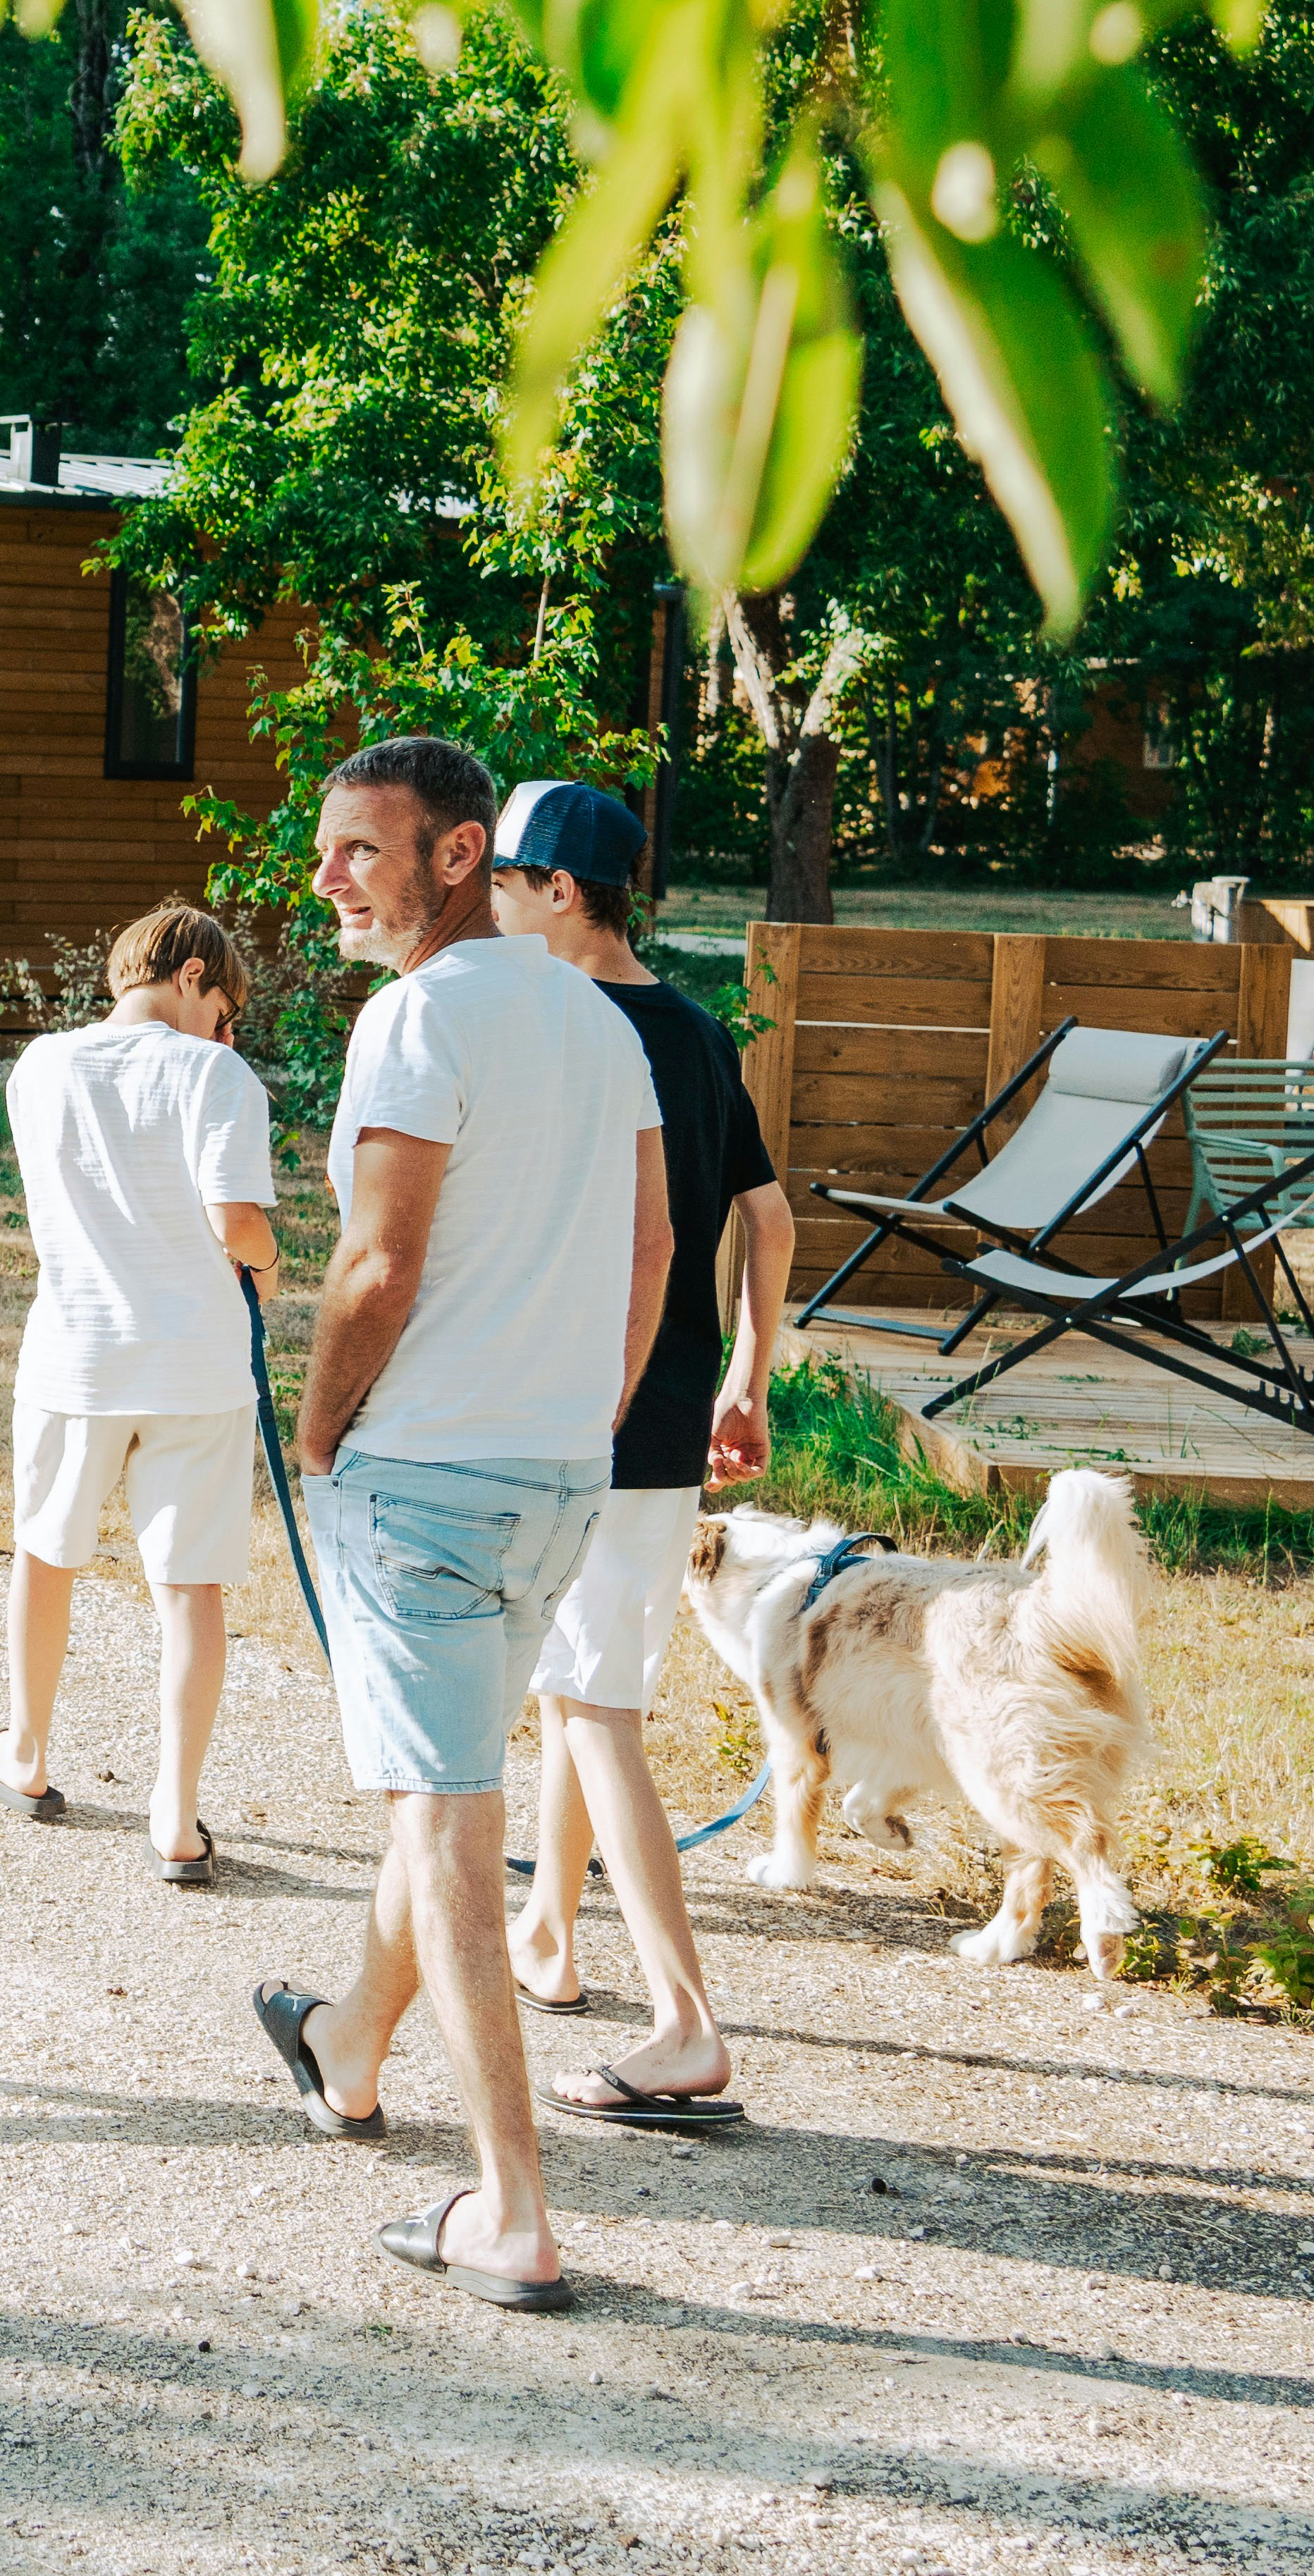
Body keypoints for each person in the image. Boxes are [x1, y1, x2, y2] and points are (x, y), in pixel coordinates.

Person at [250, 736, 669, 2312]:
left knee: (448, 1823)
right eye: (328, 850)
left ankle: (512, 2211)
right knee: (450, 1788)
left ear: (455, 851)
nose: (329, 879)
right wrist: (595, 1416)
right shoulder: (593, 1009)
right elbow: (652, 1252)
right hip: (560, 1474)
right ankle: (349, 2041)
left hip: (424, 1471)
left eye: (361, 849)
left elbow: (377, 1263)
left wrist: (313, 1431)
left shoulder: (413, 1018)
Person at [485, 779, 787, 2132]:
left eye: (501, 877)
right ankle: (548, 1934)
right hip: (665, 1416)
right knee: (581, 1687)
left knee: (597, 1712)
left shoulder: (560, 1027)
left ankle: (686, 2028)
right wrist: (746, 1377)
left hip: (572, 1410)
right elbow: (767, 1221)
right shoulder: (698, 1028)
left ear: (558, 891)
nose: (485, 899)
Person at [0, 905, 281, 1879]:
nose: (227, 1032)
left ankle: (27, 1752)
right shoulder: (216, 1074)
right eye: (227, 1011)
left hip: (75, 1354)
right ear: (193, 977)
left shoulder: (39, 1065)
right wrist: (267, 1257)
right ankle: (175, 1817)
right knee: (188, 1589)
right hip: (194, 1365)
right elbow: (234, 1218)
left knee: (46, 1557)